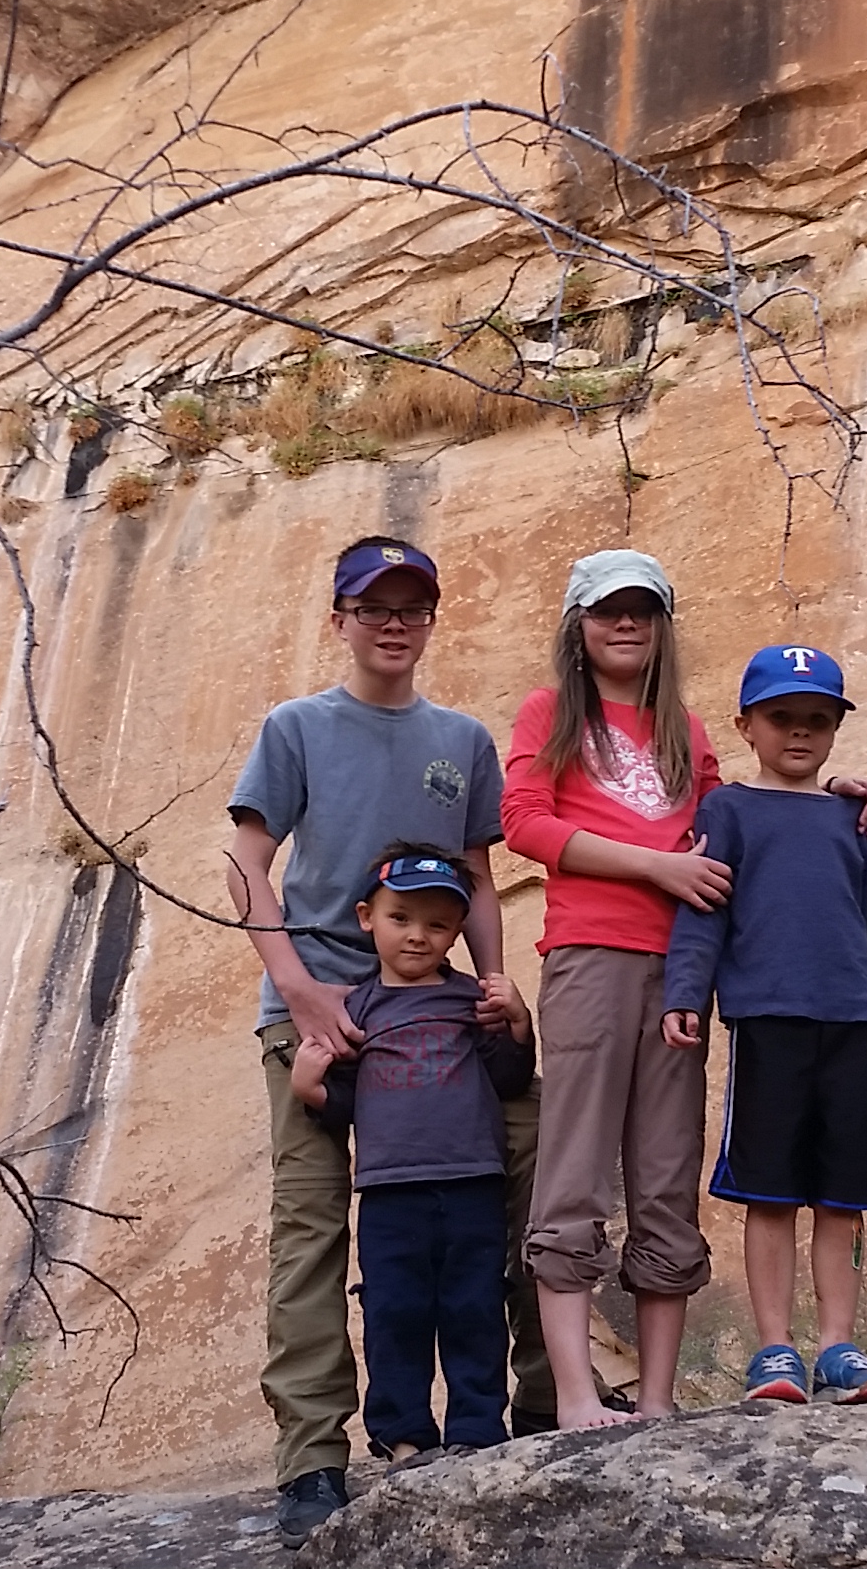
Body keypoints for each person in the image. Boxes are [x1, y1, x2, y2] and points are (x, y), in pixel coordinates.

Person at [224, 536, 550, 1544]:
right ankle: (313, 1460)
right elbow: (247, 855)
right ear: (342, 618)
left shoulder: (461, 739)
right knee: (314, 1232)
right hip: (318, 1016)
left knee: (528, 1184)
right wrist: (298, 988)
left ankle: (534, 1409)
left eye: (412, 608)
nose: (395, 624)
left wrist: (495, 985)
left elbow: (477, 875)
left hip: (442, 1017)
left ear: (431, 620)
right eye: (375, 608)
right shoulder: (298, 727)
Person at [498, 550, 727, 1429]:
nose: (624, 624)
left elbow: (728, 829)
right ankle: (578, 1397)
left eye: (642, 611)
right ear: (578, 626)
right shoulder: (552, 714)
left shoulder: (690, 732)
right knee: (577, 1167)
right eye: (606, 611)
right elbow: (524, 823)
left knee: (668, 1171)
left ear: (664, 624)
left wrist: (834, 796)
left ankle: (660, 1399)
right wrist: (655, 868)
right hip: (591, 954)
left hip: (680, 971)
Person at [662, 644, 867, 1408]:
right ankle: (774, 1350)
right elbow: (704, 906)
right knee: (769, 1191)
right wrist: (685, 993)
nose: (799, 733)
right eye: (781, 718)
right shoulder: (727, 810)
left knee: (845, 1197)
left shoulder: (853, 817)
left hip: (853, 1022)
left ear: (835, 728)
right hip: (768, 1019)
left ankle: (838, 1346)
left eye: (817, 720)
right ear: (746, 725)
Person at [289, 847, 539, 1463]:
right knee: (394, 1311)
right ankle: (402, 1435)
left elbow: (507, 1078)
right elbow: (344, 1102)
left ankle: (478, 1427)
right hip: (390, 1190)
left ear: (458, 929)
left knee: (474, 1305)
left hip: (472, 1181)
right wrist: (310, 1089)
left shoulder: (469, 1000)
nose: (418, 936)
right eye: (401, 918)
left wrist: (517, 1024)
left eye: (437, 923)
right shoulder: (355, 1009)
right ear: (368, 916)